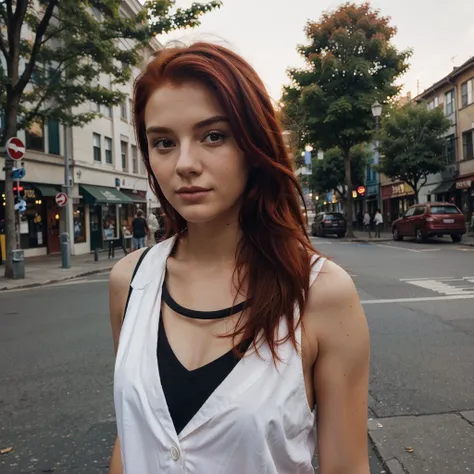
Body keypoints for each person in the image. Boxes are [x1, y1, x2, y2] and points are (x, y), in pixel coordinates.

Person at [108, 42, 370, 474]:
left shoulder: (321, 293)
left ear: (253, 145)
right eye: (163, 142)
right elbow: (130, 433)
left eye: (213, 135)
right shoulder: (129, 282)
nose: (185, 163)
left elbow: (347, 467)